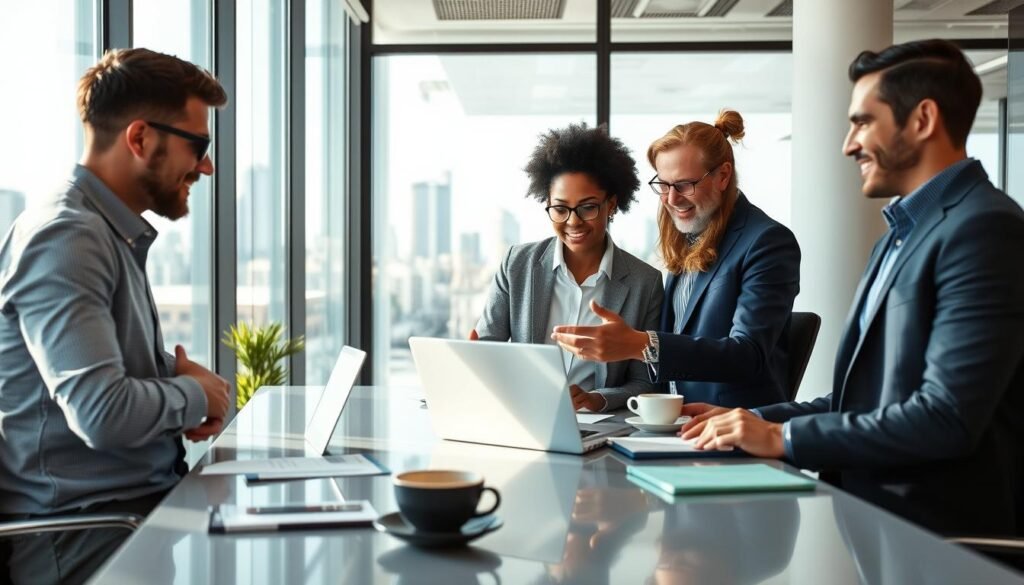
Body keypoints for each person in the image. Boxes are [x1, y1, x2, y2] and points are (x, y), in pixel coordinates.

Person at [680, 39, 1024, 536]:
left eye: (863, 121)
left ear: (922, 119)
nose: (849, 143)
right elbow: (858, 401)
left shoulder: (984, 229)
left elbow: (945, 417)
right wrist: (748, 418)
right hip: (872, 521)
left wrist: (782, 436)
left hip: (935, 539)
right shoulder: (902, 234)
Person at [0, 48, 231, 583]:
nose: (207, 165)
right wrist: (199, 396)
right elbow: (100, 412)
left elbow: (98, 379)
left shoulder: (105, 233)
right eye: (198, 145)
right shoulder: (67, 239)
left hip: (127, 515)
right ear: (140, 138)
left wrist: (177, 379)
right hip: (86, 538)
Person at [551, 111, 801, 409]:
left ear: (723, 176)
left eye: (683, 185)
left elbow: (747, 354)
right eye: (663, 186)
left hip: (733, 425)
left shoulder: (767, 242)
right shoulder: (690, 238)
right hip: (674, 424)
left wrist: (642, 344)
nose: (671, 199)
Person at [475, 122, 664, 412]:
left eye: (588, 207)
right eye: (560, 209)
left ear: (611, 204)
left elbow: (644, 382)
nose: (573, 222)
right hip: (524, 415)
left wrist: (597, 399)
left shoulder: (645, 282)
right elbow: (487, 350)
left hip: (597, 428)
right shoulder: (517, 264)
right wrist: (472, 358)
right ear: (547, 203)